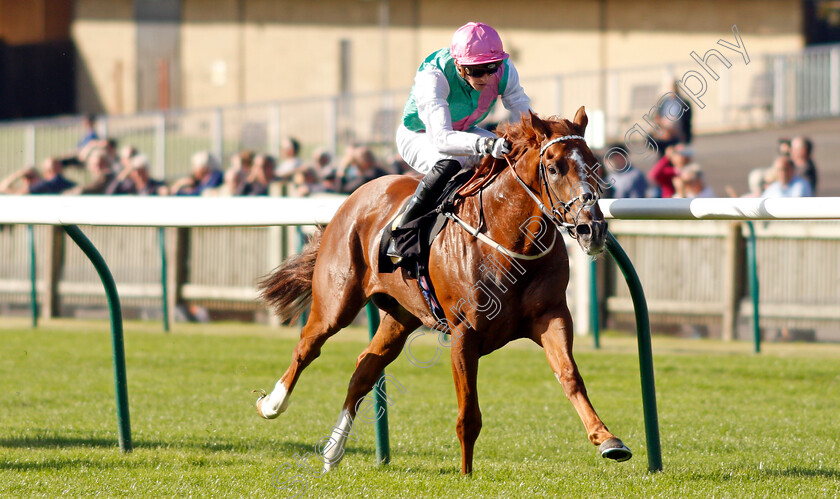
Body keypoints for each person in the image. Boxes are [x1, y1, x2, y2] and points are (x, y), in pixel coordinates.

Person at [389, 22, 532, 258]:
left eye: (491, 67)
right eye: (476, 71)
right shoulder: (433, 75)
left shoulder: (505, 69)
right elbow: (442, 139)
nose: (486, 77)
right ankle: (404, 231)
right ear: (458, 65)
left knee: (514, 157)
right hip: (420, 135)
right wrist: (487, 145)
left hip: (465, 131)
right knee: (452, 159)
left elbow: (523, 113)